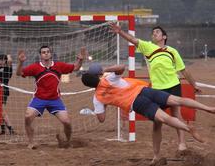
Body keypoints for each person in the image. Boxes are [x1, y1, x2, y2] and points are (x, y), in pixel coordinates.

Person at [81, 64, 215, 165]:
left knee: (163, 118)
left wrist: (105, 103)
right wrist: (105, 70)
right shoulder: (108, 77)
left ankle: (187, 128)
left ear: (89, 86)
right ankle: (208, 108)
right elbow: (122, 67)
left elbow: (101, 119)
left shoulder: (97, 98)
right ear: (97, 75)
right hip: (144, 90)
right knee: (177, 100)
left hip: (136, 102)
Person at [110, 23, 201, 157]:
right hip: (157, 89)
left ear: (164, 36)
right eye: (153, 33)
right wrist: (120, 32)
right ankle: (156, 155)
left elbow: (183, 70)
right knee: (157, 122)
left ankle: (182, 144)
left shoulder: (172, 51)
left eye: (157, 32)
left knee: (176, 114)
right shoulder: (148, 47)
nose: (154, 34)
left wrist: (194, 85)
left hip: (174, 85)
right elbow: (133, 40)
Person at [16, 46, 86, 149]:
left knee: (67, 122)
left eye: (48, 52)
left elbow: (75, 68)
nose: (46, 53)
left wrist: (80, 60)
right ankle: (31, 142)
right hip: (39, 99)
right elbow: (19, 73)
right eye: (43, 52)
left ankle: (68, 141)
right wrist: (21, 62)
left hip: (55, 100)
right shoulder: (35, 67)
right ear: (40, 55)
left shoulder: (59, 65)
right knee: (27, 117)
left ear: (51, 54)